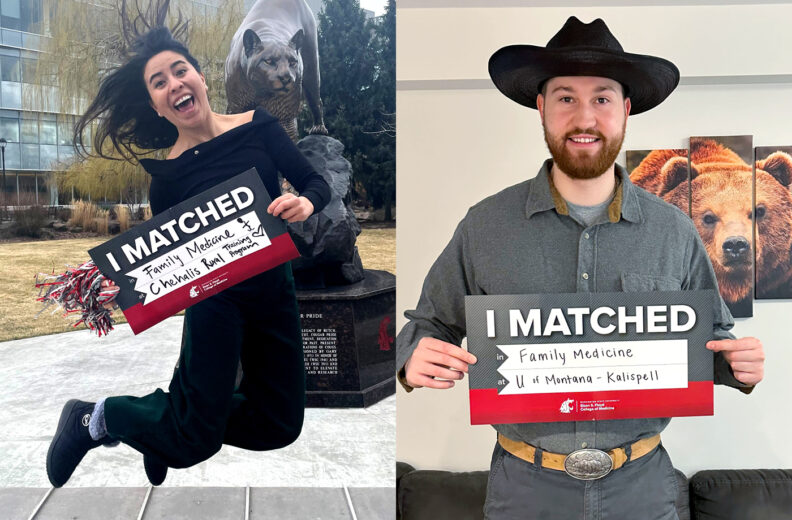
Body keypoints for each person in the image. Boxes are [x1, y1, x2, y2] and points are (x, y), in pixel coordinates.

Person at [396, 16, 765, 519]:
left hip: (642, 491)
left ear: (626, 111)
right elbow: (428, 324)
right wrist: (412, 357)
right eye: (566, 97)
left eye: (602, 99)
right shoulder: (485, 226)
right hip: (524, 493)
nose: (584, 117)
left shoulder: (674, 230)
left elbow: (712, 339)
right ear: (541, 108)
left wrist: (738, 366)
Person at [46, 2, 330, 488]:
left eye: (180, 71)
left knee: (280, 425)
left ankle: (161, 429)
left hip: (273, 290)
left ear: (201, 77)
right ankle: (97, 418)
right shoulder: (167, 179)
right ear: (157, 104)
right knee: (193, 440)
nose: (174, 83)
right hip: (217, 302)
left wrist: (305, 202)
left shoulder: (258, 126)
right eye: (160, 82)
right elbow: (174, 268)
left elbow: (313, 182)